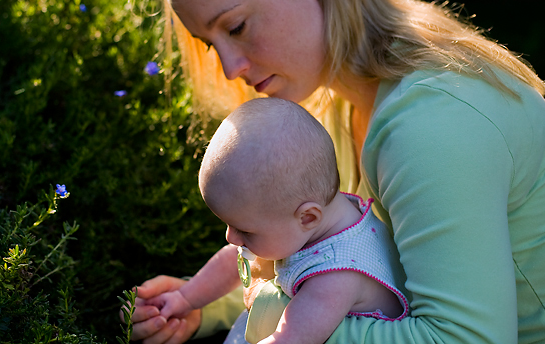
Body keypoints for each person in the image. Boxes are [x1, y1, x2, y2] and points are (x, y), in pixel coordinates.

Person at [124, 0, 545, 342]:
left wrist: (272, 324)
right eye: (212, 45)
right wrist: (202, 305)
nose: (230, 68)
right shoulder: (332, 102)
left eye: (237, 26)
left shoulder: (433, 123)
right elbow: (326, 255)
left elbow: (468, 339)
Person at [145, 97, 409, 344]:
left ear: (307, 217)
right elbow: (235, 259)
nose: (231, 237)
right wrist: (185, 297)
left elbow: (289, 338)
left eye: (244, 230)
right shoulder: (318, 217)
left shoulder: (334, 280)